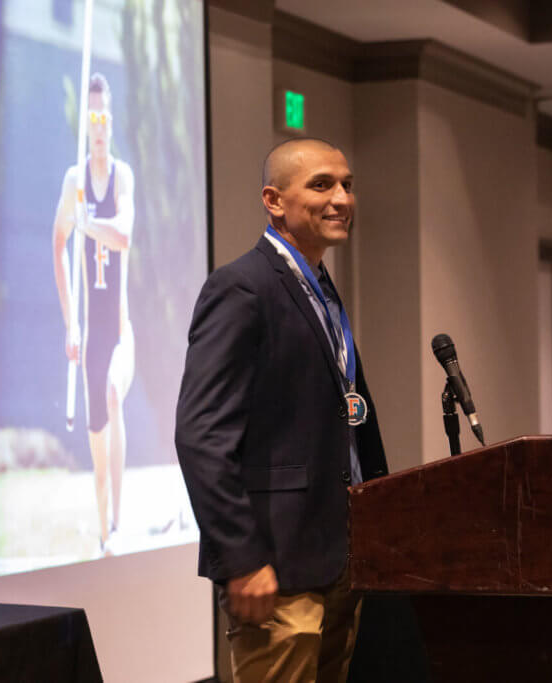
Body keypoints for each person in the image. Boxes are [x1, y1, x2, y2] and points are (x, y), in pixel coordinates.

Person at [175, 138, 388, 682]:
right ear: (274, 200)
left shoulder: (320, 286)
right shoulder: (242, 288)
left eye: (347, 184)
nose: (342, 198)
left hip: (341, 555)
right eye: (322, 185)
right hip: (277, 564)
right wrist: (241, 559)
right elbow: (201, 435)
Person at [53, 73, 136, 555]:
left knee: (112, 393)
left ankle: (119, 525)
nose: (100, 126)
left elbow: (123, 235)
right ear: (85, 125)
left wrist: (90, 224)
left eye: (105, 116)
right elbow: (58, 242)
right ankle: (104, 529)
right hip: (90, 331)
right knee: (96, 435)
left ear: (112, 120)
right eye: (93, 118)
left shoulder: (121, 176)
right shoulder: (74, 181)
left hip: (121, 327)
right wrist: (70, 321)